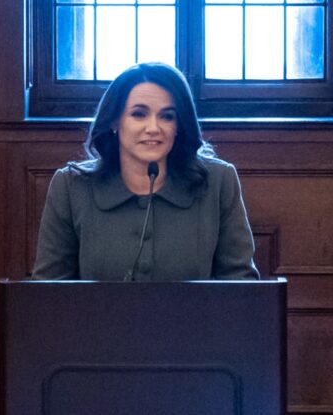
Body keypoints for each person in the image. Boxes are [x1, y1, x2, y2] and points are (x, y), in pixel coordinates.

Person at [32, 62, 259, 281]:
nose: (153, 128)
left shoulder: (218, 182)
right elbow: (49, 292)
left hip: (196, 311)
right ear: (114, 121)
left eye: (167, 116)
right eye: (139, 114)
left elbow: (241, 287)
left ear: (179, 125)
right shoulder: (71, 187)